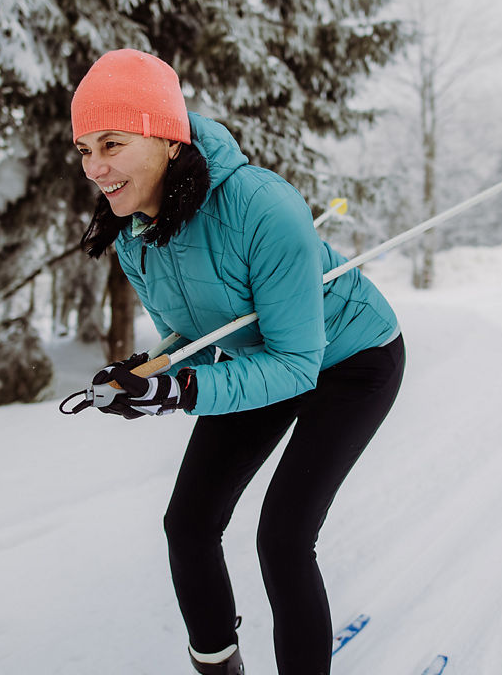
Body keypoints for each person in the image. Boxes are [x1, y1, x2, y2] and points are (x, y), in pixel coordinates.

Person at [68, 49, 405, 675]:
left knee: (282, 539)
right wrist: (141, 373)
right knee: (189, 524)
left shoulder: (260, 206)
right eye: (85, 149)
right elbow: (187, 334)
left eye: (111, 142)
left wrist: (178, 392)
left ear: (167, 139)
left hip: (352, 360)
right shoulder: (134, 232)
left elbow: (298, 364)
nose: (96, 167)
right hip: (261, 356)